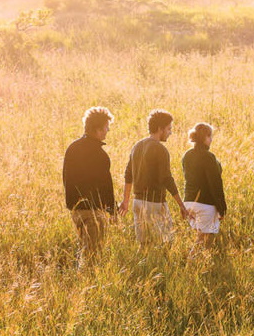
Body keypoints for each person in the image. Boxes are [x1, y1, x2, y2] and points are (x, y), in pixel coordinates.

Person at [119, 109, 189, 246]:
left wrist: (125, 201)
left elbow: (128, 175)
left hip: (137, 202)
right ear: (160, 129)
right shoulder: (160, 149)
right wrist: (181, 205)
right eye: (169, 129)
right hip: (154, 204)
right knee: (165, 243)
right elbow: (167, 179)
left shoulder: (137, 146)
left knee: (145, 244)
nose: (170, 132)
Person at [63, 106, 115, 265]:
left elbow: (66, 178)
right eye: (106, 127)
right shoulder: (99, 154)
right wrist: (112, 210)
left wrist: (72, 204)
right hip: (93, 211)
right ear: (98, 129)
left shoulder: (72, 148)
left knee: (84, 250)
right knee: (93, 255)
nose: (107, 131)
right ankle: (86, 284)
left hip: (76, 210)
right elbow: (106, 185)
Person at [181, 123, 227, 250]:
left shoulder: (187, 155)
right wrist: (222, 207)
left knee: (199, 238)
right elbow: (215, 184)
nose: (211, 139)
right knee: (204, 243)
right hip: (205, 203)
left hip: (189, 202)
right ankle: (192, 266)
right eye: (209, 136)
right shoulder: (209, 157)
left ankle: (193, 265)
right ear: (204, 137)